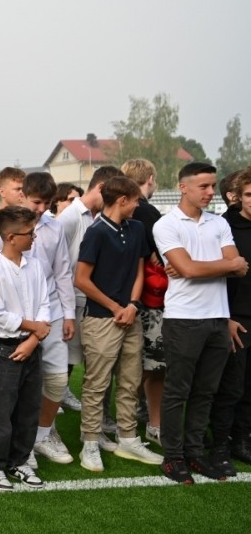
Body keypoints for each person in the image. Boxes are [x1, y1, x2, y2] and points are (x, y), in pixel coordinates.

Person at [153, 162, 248, 483]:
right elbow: (192, 269)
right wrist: (215, 265)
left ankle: (194, 454)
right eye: (204, 186)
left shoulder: (218, 223)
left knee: (206, 392)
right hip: (183, 320)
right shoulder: (166, 224)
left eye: (212, 186)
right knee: (177, 392)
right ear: (183, 187)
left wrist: (196, 267)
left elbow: (240, 267)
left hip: (218, 319)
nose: (211, 192)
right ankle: (172, 457)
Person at [74, 176, 163, 471]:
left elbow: (139, 270)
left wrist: (133, 305)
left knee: (130, 381)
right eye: (135, 200)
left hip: (130, 316)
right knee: (97, 384)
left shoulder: (136, 228)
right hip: (101, 320)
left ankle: (128, 438)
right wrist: (116, 307)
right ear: (122, 200)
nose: (138, 205)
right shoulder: (96, 232)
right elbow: (81, 280)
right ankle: (90, 443)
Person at [0, 207, 50, 491]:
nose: (34, 237)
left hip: (31, 346)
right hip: (3, 348)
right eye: (29, 233)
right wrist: (35, 328)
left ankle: (19, 460)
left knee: (29, 408)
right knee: (0, 409)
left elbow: (44, 304)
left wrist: (33, 340)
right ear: (10, 237)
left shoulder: (35, 266)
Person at [57, 166, 123, 419]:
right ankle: (54, 401)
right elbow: (58, 264)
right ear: (102, 188)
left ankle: (71, 400)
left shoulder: (100, 217)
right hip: (71, 299)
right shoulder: (69, 217)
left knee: (88, 360)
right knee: (63, 357)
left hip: (90, 300)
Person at [19, 173, 76, 468]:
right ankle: (21, 440)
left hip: (52, 314)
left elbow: (63, 272)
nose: (41, 209)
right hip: (18, 318)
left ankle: (42, 435)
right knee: (19, 382)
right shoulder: (3, 226)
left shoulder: (55, 228)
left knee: (57, 379)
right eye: (36, 202)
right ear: (22, 196)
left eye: (47, 203)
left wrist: (68, 314)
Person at [121, 158, 166, 445]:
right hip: (150, 299)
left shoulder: (120, 210)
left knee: (132, 362)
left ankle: (133, 413)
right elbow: (162, 256)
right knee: (155, 364)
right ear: (150, 179)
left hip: (127, 297)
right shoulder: (147, 211)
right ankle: (154, 421)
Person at [209, 167, 251, 474]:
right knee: (231, 388)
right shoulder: (225, 227)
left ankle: (242, 440)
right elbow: (216, 278)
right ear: (238, 197)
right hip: (235, 319)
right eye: (249, 194)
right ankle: (220, 445)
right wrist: (226, 317)